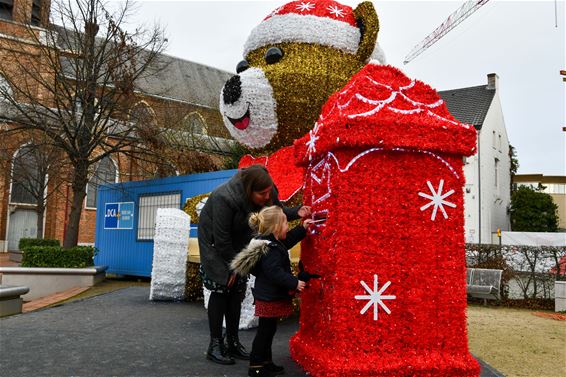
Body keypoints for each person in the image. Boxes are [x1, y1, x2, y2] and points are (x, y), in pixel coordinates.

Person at [198, 165, 311, 365]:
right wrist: (236, 267)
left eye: (270, 192)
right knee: (222, 289)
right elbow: (222, 241)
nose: (267, 197)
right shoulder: (224, 198)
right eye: (262, 194)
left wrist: (296, 212)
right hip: (216, 245)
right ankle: (215, 345)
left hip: (240, 242)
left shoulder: (267, 190)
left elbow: (275, 214)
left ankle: (233, 342)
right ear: (249, 191)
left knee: (237, 292)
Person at [230, 206, 313, 377]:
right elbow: (275, 272)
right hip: (269, 297)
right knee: (265, 333)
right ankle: (256, 365)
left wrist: (302, 229)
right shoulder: (272, 249)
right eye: (285, 223)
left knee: (268, 331)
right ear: (276, 227)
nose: (287, 226)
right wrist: (294, 283)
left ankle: (265, 362)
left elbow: (287, 240)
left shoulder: (269, 243)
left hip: (267, 295)